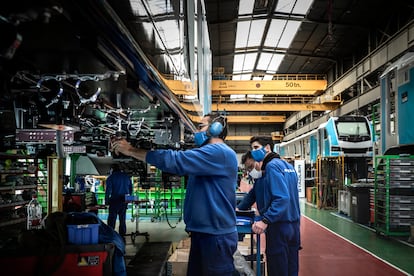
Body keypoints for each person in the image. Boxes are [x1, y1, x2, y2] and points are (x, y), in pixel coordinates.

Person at [111, 113, 239, 276]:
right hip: (206, 234)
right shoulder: (210, 154)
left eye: (200, 127)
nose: (196, 132)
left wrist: (131, 150)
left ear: (216, 128)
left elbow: (176, 161)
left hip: (215, 237)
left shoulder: (219, 152)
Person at [237, 136, 301, 276]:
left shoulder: (271, 167)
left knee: (277, 269)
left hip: (279, 226)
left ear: (267, 148)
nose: (254, 152)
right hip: (294, 226)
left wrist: (265, 220)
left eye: (255, 148)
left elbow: (282, 199)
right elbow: (254, 193)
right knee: (291, 268)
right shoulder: (287, 166)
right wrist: (239, 208)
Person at [105, 163, 132, 238]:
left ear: (112, 169)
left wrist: (106, 201)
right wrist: (128, 199)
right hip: (124, 200)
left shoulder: (111, 177)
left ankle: (111, 234)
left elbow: (108, 191)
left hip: (114, 201)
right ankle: (122, 235)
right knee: (122, 218)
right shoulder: (126, 177)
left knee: (112, 219)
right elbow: (131, 189)